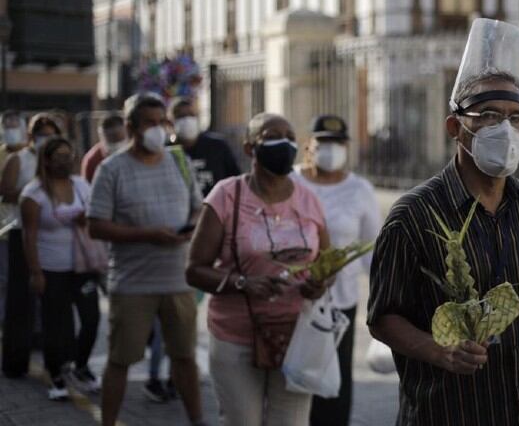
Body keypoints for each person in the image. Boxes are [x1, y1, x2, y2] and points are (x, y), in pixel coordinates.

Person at [367, 19, 519, 426]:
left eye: (517, 119)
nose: (505, 129)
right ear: (454, 127)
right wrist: (438, 350)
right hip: (448, 412)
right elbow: (382, 318)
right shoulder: (413, 216)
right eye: (490, 116)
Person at [186, 112, 330, 426]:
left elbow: (327, 264)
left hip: (296, 337)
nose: (285, 143)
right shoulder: (226, 196)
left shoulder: (310, 201)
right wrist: (242, 282)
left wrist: (319, 284)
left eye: (290, 136)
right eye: (272, 135)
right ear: (251, 148)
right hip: (236, 337)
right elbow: (194, 270)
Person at [87, 93, 207, 426]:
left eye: (162, 123)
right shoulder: (112, 169)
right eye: (150, 124)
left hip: (178, 279)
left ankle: (197, 419)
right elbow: (95, 226)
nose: (158, 130)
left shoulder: (178, 160)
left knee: (184, 358)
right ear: (130, 128)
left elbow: (198, 207)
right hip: (132, 282)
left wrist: (191, 227)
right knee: (120, 359)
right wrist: (147, 234)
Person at [293, 115, 382, 426]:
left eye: (337, 144)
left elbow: (373, 250)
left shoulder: (360, 190)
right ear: (309, 147)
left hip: (340, 305)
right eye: (323, 143)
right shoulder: (291, 184)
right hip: (291, 302)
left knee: (333, 385)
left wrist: (388, 300)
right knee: (292, 382)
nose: (331, 150)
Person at [20, 137, 101, 399]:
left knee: (91, 319)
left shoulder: (81, 185)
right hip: (51, 268)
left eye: (69, 155)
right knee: (55, 326)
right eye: (59, 157)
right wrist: (36, 272)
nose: (66, 161)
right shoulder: (33, 194)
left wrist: (84, 219)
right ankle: (55, 374)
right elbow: (28, 236)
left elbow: (96, 217)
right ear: (46, 160)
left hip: (82, 266)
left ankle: (79, 365)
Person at [2, 112, 62, 378]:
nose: (45, 140)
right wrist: (33, 194)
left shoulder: (59, 162)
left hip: (53, 237)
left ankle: (57, 361)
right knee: (19, 300)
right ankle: (16, 360)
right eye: (41, 135)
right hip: (21, 233)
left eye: (51, 135)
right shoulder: (19, 159)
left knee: (53, 301)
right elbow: (6, 191)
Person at [169, 97, 241, 197]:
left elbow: (235, 181)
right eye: (181, 116)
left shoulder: (217, 147)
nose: (187, 120)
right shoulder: (166, 150)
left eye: (191, 115)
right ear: (170, 122)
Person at [0, 111, 27, 323]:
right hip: (3, 231)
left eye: (14, 126)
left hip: (28, 229)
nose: (11, 131)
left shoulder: (31, 155)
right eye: (7, 127)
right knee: (4, 280)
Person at [81, 114, 128, 183]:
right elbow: (87, 189)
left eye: (119, 139)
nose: (115, 144)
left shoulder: (139, 154)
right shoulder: (92, 160)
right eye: (111, 140)